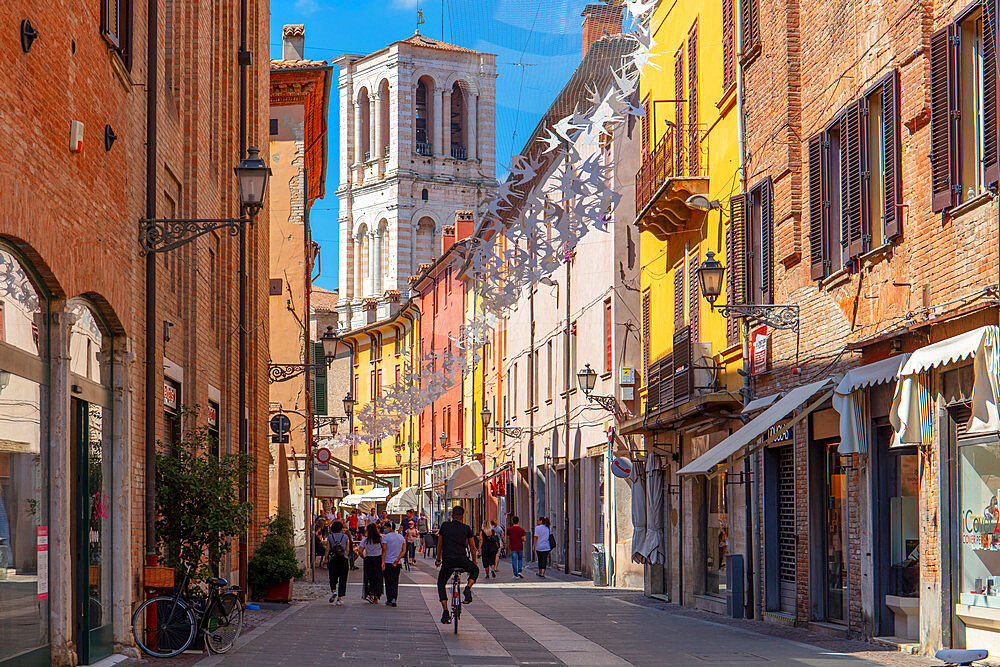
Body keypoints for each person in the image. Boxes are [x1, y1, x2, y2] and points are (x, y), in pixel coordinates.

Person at [435, 505, 479, 625]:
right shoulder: (466, 528)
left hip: (448, 561)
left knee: (441, 583)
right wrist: (474, 562)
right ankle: (468, 589)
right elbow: (473, 548)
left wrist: (438, 559)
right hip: (462, 560)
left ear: (452, 515)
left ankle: (445, 612)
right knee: (475, 570)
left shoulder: (445, 526)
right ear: (463, 516)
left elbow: (439, 545)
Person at [359, 523, 386, 603]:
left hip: (369, 559)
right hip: (378, 559)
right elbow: (384, 549)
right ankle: (376, 596)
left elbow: (360, 551)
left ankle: (370, 593)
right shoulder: (380, 538)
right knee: (377, 577)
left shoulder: (365, 540)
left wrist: (364, 557)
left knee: (369, 578)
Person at [381, 522, 406, 607]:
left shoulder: (385, 537)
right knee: (395, 580)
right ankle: (394, 597)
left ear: (389, 528)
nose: (385, 529)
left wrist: (382, 562)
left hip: (388, 561)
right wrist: (398, 559)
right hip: (397, 562)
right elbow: (403, 550)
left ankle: (389, 599)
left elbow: (384, 550)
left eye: (385, 528)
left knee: (388, 581)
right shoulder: (401, 537)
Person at [327, 521, 352, 605]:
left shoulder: (330, 537)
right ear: (341, 528)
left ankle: (333, 590)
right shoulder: (345, 537)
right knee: (343, 578)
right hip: (343, 559)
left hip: (333, 559)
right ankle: (340, 598)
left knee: (332, 576)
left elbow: (327, 548)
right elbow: (347, 550)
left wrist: (326, 559)